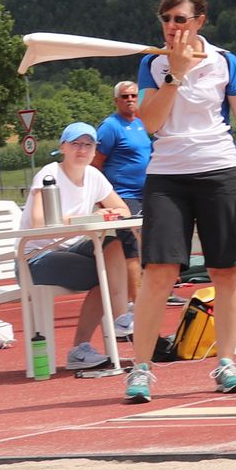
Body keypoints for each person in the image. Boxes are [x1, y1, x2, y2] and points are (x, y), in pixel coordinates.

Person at [129, 0, 236, 401]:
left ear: (199, 20)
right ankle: (140, 369)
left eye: (180, 19)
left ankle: (227, 362)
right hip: (167, 175)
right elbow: (149, 123)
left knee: (226, 270)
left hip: (219, 170)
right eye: (166, 19)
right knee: (159, 273)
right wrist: (175, 74)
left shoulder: (225, 62)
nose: (171, 27)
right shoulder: (152, 64)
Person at [26, 122, 133, 372]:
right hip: (37, 256)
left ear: (95, 150)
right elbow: (39, 222)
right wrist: (86, 220)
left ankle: (116, 322)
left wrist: (106, 212)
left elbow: (123, 210)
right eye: (76, 143)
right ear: (63, 147)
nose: (82, 149)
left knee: (113, 245)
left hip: (73, 249)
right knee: (107, 274)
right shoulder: (49, 174)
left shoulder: (94, 175)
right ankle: (99, 334)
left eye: (88, 144)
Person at [93, 78, 153, 339]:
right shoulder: (110, 127)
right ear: (116, 101)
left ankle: (149, 295)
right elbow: (96, 162)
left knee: (149, 247)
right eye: (125, 97)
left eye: (133, 96)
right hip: (122, 197)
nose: (130, 100)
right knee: (131, 248)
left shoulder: (142, 123)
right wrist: (99, 198)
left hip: (146, 193)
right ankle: (137, 305)